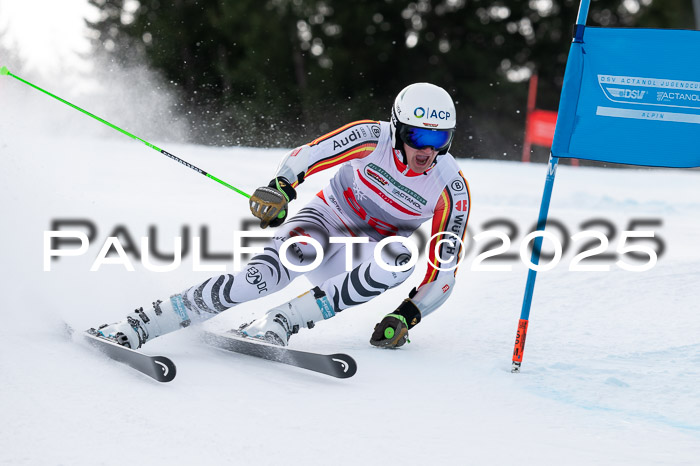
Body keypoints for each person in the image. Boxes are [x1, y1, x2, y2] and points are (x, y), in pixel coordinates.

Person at [92, 82, 471, 349]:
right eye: (416, 137)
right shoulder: (372, 137)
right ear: (397, 127)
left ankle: (280, 322)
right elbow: (309, 154)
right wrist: (282, 186)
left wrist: (408, 314)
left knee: (399, 259)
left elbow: (445, 273)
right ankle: (143, 322)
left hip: (363, 254)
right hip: (325, 221)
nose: (426, 150)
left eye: (438, 140)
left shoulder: (449, 187)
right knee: (261, 279)